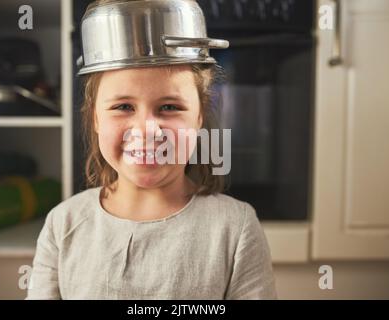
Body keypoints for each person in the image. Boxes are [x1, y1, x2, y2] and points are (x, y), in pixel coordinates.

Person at [26, 0, 277, 300]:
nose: (147, 129)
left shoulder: (236, 229)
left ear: (199, 116)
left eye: (169, 107)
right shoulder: (63, 224)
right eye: (123, 107)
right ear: (95, 117)